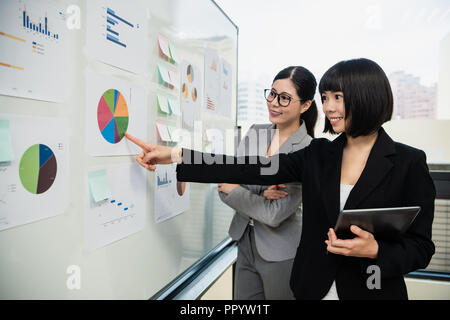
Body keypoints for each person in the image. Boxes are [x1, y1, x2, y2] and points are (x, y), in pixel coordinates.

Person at [125, 58, 435, 300]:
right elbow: (245, 167)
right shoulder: (318, 153)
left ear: (367, 96)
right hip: (312, 289)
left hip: (372, 290)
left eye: (337, 97)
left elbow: (421, 248)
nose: (328, 107)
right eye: (325, 97)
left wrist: (377, 250)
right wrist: (177, 155)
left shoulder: (409, 162)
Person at [217, 66, 317, 299]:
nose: (273, 103)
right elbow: (223, 187)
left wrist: (238, 190)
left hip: (281, 251)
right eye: (272, 94)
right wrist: (261, 198)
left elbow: (275, 215)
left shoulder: (308, 149)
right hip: (244, 241)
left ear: (305, 105)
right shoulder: (255, 133)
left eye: (284, 98)